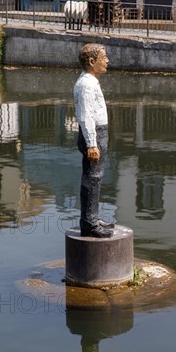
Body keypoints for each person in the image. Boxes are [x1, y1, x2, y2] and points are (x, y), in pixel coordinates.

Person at [73, 44, 114, 238]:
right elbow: (85, 116)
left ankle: (92, 217)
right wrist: (92, 143)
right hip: (94, 134)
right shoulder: (86, 85)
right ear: (91, 61)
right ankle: (89, 223)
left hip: (99, 133)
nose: (107, 61)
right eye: (103, 57)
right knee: (92, 177)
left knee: (95, 177)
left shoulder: (91, 82)